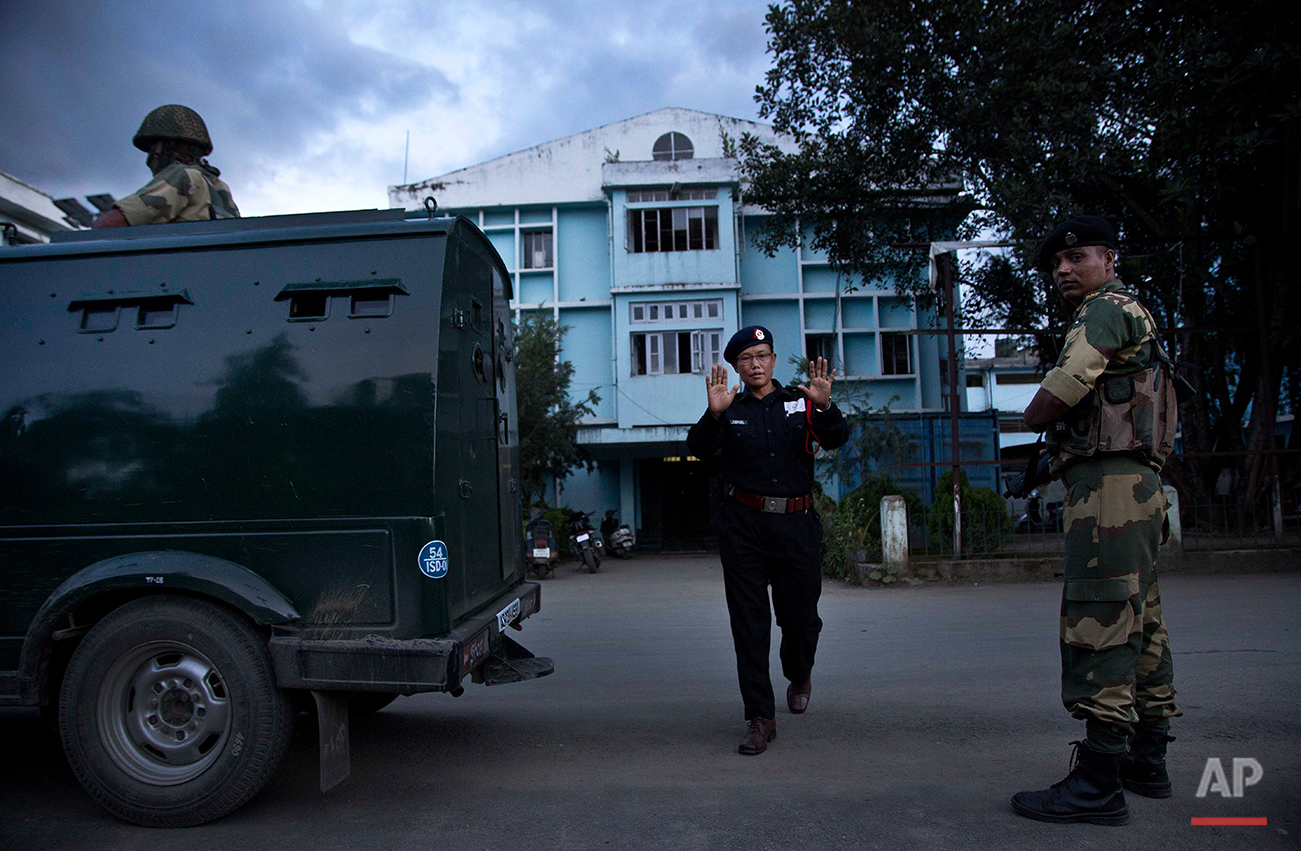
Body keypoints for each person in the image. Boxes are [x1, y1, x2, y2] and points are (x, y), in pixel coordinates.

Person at [1012, 215, 1181, 825]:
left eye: (1075, 256)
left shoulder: (1105, 309)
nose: (1062, 268)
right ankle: (1146, 758)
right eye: (1056, 262)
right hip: (1139, 483)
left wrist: (1031, 419)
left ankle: (1099, 780)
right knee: (1142, 619)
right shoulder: (1132, 311)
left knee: (1101, 614)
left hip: (1110, 486)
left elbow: (1066, 383)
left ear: (1109, 259)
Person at [686, 326, 848, 755]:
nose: (755, 364)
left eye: (762, 355)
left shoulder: (802, 402)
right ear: (737, 367)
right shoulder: (730, 407)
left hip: (796, 526)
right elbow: (699, 450)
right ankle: (760, 716)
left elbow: (836, 438)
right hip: (744, 527)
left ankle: (798, 672)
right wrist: (714, 415)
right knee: (749, 624)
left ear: (774, 360)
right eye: (746, 359)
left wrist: (826, 404)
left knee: (800, 619)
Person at [93, 104, 239, 228]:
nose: (150, 158)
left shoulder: (184, 175)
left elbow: (109, 225)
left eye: (152, 148)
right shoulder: (219, 187)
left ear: (168, 146)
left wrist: (97, 220)